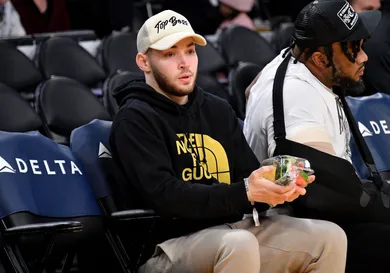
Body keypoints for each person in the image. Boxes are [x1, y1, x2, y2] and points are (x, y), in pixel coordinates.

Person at [109, 9, 347, 273]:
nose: (184, 63)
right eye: (169, 54)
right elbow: (165, 196)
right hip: (166, 245)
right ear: (143, 62)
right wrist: (245, 191)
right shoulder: (134, 119)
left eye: (190, 51)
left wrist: (275, 187)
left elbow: (247, 177)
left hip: (231, 231)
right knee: (239, 243)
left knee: (329, 237)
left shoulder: (217, 109)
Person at [244, 1, 390, 272]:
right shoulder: (297, 99)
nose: (364, 57)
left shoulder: (293, 57)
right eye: (353, 50)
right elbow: (322, 195)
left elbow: (249, 89)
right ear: (321, 59)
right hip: (290, 224)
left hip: (316, 216)